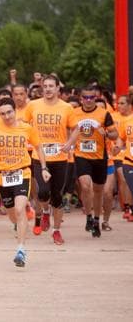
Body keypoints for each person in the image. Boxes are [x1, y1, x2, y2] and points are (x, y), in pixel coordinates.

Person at [0, 98, 51, 267]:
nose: (7, 116)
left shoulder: (26, 128)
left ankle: (21, 249)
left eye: (9, 112)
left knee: (20, 209)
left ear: (15, 111)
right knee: (12, 214)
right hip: (2, 176)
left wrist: (43, 168)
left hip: (22, 173)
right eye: (3, 113)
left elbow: (39, 147)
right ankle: (20, 226)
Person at [22, 75, 74, 245]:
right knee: (43, 192)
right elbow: (23, 125)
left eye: (52, 86)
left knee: (57, 197)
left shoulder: (66, 108)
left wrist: (69, 143)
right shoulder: (33, 105)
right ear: (42, 88)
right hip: (39, 156)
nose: (48, 89)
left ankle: (56, 231)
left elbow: (76, 128)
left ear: (58, 88)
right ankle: (45, 211)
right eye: (46, 86)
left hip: (59, 157)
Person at [66, 86, 117, 238]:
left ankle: (96, 219)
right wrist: (68, 144)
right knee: (85, 185)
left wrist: (106, 133)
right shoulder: (74, 113)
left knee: (98, 190)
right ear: (81, 99)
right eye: (85, 97)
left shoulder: (104, 113)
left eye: (91, 97)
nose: (88, 100)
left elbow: (115, 134)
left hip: (100, 157)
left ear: (96, 98)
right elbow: (68, 130)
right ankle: (88, 216)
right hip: (81, 155)